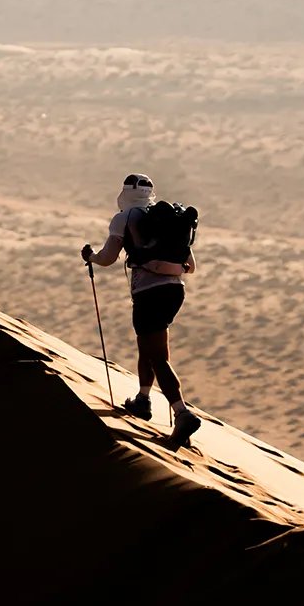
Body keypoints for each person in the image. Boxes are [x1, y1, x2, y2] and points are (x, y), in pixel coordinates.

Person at [80, 172, 200, 444]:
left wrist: (91, 257)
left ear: (124, 193)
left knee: (157, 357)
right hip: (175, 291)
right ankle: (143, 400)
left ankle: (182, 414)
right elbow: (191, 267)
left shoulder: (125, 218)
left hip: (149, 293)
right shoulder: (168, 218)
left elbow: (108, 258)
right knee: (150, 346)